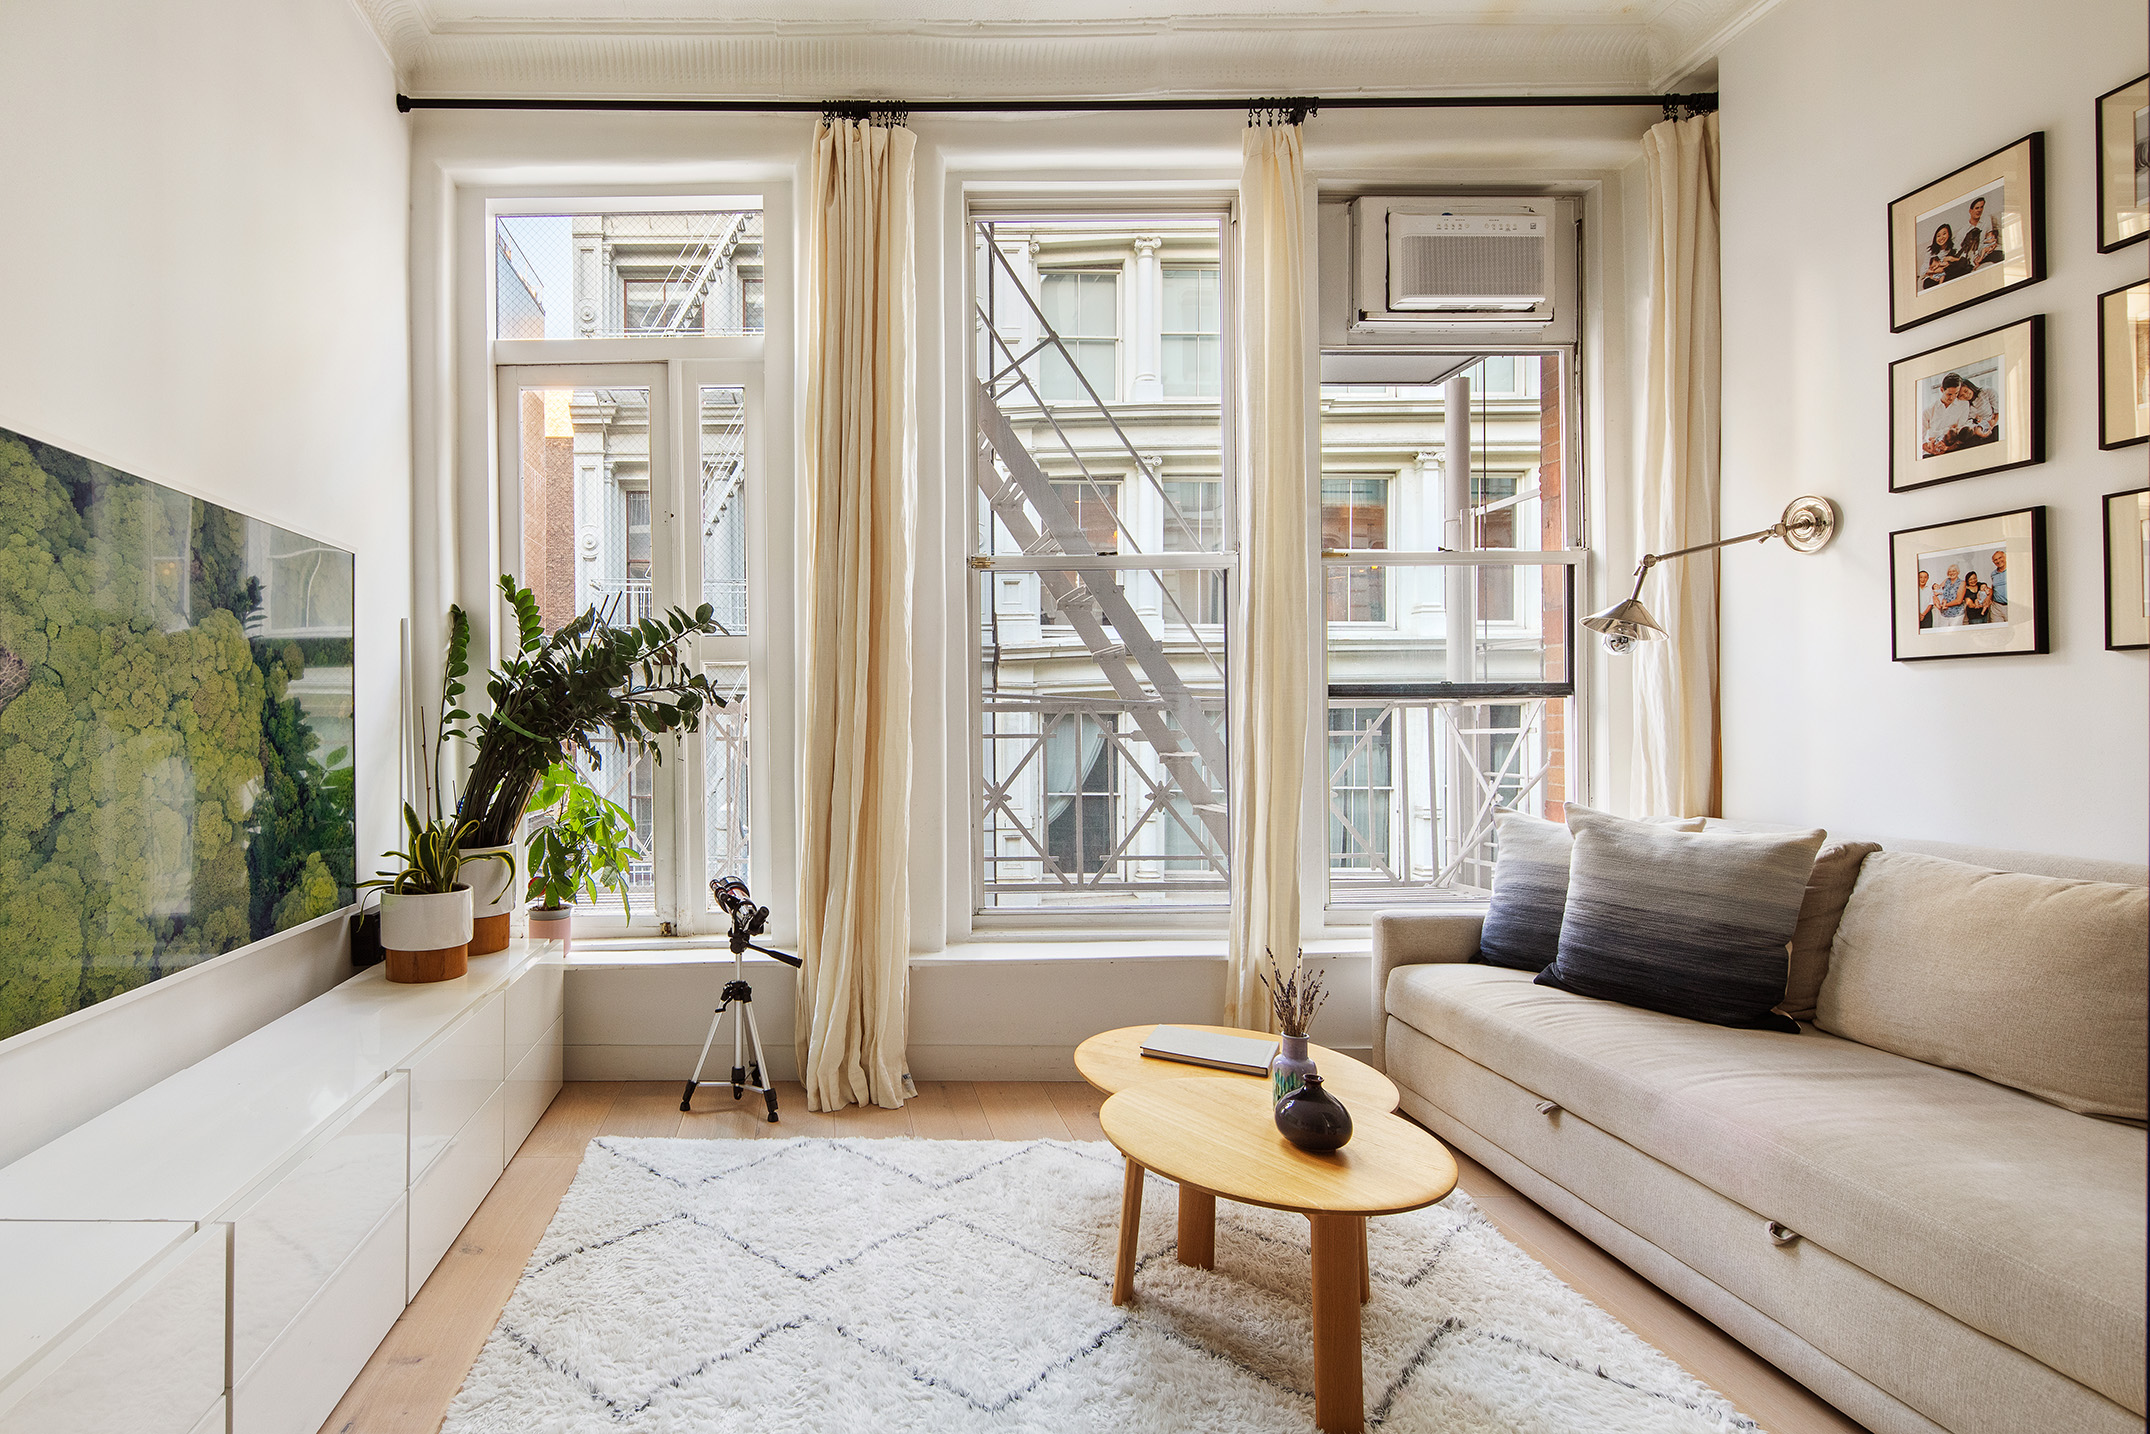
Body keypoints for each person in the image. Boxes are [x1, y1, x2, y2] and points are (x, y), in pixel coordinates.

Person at [1961, 196, 2005, 268]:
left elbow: (1991, 236)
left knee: (2001, 255)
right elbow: (1965, 250)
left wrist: (1991, 246)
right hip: (1974, 255)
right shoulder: (1964, 231)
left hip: (1987, 251)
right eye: (1977, 208)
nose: (1980, 210)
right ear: (1970, 211)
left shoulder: (1987, 220)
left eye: (1981, 207)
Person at [1919, 222, 1961, 289]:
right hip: (1934, 277)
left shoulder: (1954, 247)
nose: (1941, 238)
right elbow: (1923, 270)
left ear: (1949, 235)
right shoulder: (1930, 252)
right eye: (1938, 236)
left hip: (1948, 273)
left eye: (1944, 234)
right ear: (1935, 238)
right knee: (1928, 283)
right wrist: (1936, 271)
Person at [1988, 549, 2008, 621]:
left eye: (2000, 558)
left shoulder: (2012, 569)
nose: (1998, 561)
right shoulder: (1993, 574)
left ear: (2005, 557)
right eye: (1995, 560)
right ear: (1993, 562)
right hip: (1996, 607)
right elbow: (1994, 587)